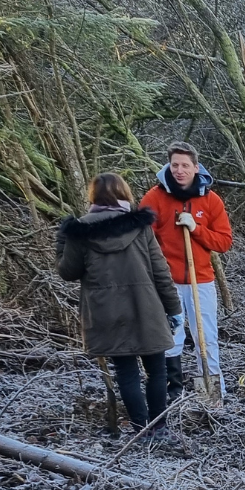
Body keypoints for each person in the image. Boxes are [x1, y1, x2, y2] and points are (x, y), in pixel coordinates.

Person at [56, 173, 183, 446]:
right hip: (146, 306)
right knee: (157, 371)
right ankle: (158, 427)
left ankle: (140, 431)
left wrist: (62, 241)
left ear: (93, 197)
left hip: (105, 312)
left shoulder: (80, 230)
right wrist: (174, 308)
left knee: (126, 373)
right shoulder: (139, 225)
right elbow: (161, 271)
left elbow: (68, 272)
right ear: (124, 193)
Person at [142, 142, 232, 401]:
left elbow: (224, 242)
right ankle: (174, 393)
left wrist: (196, 228)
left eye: (185, 165)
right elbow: (141, 237)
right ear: (168, 166)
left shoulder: (210, 200)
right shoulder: (155, 198)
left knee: (207, 336)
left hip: (200, 281)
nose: (180, 170)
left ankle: (213, 395)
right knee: (171, 338)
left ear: (195, 167)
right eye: (175, 165)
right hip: (166, 283)